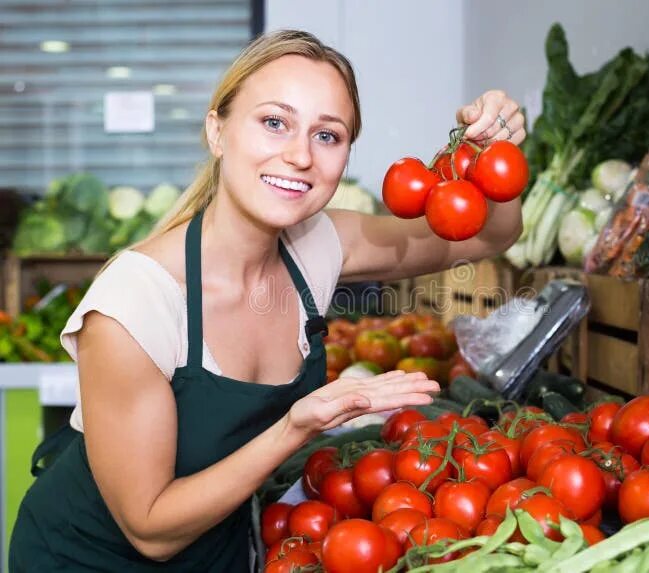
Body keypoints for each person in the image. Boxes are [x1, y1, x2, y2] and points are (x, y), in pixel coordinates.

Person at [9, 29, 525, 572]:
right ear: (217, 131)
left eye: (327, 135)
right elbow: (151, 529)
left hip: (222, 551)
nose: (299, 155)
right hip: (85, 558)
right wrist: (296, 427)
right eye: (274, 122)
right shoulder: (135, 306)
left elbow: (489, 235)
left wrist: (495, 151)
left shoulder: (316, 248)